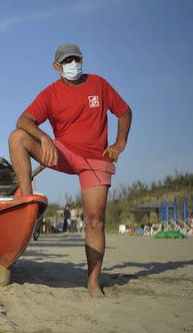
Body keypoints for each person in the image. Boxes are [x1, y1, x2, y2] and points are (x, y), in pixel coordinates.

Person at [8, 43, 132, 297]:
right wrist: (43, 137)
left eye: (76, 59)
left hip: (96, 159)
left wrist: (119, 144)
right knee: (17, 138)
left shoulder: (99, 84)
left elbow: (124, 111)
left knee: (95, 221)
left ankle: (93, 283)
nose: (72, 64)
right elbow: (23, 120)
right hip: (62, 153)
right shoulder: (51, 93)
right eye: (67, 61)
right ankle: (29, 204)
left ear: (82, 60)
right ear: (57, 67)